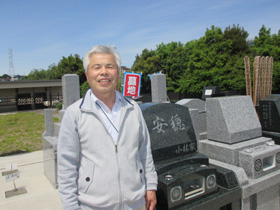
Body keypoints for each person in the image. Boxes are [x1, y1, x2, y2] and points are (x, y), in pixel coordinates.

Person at [57, 45, 158, 210]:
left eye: (110, 66)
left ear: (118, 73)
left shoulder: (133, 108)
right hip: (93, 205)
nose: (104, 72)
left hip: (136, 202)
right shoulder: (75, 113)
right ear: (87, 75)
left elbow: (144, 152)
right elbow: (67, 166)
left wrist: (151, 186)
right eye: (96, 67)